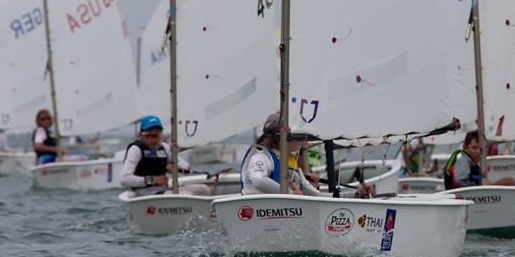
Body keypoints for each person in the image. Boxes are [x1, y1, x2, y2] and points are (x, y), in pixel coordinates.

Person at [240, 112, 372, 198]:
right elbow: (258, 180)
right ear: (280, 138)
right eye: (298, 136)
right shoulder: (261, 157)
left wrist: (354, 194)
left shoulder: (291, 162)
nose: (302, 140)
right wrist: (291, 194)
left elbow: (315, 195)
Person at [120, 115, 209, 197]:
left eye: (156, 135)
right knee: (185, 195)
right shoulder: (136, 149)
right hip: (145, 193)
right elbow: (125, 179)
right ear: (141, 135)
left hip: (163, 189)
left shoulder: (164, 147)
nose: (153, 139)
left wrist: (173, 167)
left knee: (203, 189)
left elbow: (186, 167)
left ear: (161, 134)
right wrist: (153, 180)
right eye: (148, 135)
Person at [444, 130, 515, 190]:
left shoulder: (467, 158)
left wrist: (513, 137)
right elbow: (461, 181)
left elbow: (489, 142)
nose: (478, 151)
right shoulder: (461, 158)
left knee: (509, 181)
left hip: (475, 193)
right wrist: (480, 188)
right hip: (465, 195)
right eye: (474, 148)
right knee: (509, 181)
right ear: (465, 147)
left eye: (480, 148)